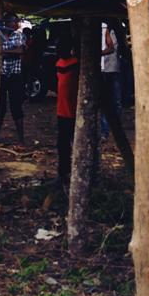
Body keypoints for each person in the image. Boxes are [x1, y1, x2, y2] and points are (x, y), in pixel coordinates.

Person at [0, 12, 27, 147]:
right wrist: (9, 52)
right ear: (6, 22)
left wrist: (2, 52)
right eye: (13, 21)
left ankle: (21, 139)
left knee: (16, 107)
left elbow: (20, 51)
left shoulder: (18, 35)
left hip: (15, 75)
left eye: (16, 21)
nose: (16, 24)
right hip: (1, 75)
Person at [55, 35, 79, 187]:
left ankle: (64, 171)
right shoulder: (72, 63)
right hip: (70, 111)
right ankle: (66, 172)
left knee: (64, 144)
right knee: (69, 144)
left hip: (64, 111)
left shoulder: (61, 63)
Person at [99, 21, 121, 139]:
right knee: (106, 101)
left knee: (115, 100)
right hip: (104, 69)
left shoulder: (112, 31)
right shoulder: (103, 29)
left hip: (113, 69)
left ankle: (115, 128)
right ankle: (105, 129)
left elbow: (112, 48)